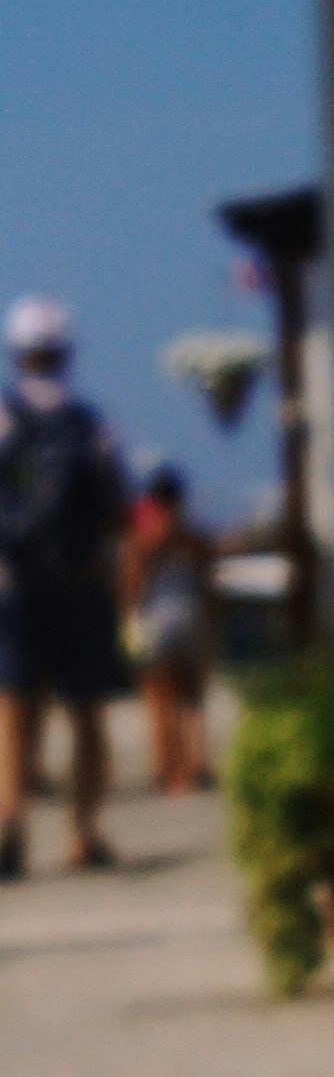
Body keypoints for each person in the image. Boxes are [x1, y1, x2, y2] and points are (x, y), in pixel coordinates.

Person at [0, 304, 130, 881]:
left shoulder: (5, 416)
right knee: (87, 712)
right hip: (81, 585)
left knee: (12, 709)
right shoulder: (88, 422)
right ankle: (84, 831)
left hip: (16, 585)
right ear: (66, 353)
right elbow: (117, 504)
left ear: (16, 352)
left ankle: (11, 824)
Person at [126, 461, 212, 795]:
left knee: (159, 700)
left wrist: (129, 616)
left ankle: (169, 770)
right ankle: (197, 765)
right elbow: (208, 583)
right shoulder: (193, 537)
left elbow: (132, 581)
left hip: (156, 621)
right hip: (192, 617)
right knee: (192, 700)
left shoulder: (143, 535)